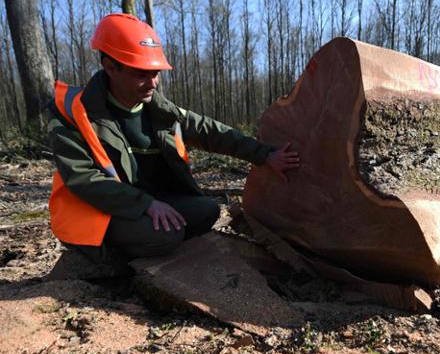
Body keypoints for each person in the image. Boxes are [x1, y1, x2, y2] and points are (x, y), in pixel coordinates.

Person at [48, 13, 300, 269]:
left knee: (207, 211)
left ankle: (151, 244)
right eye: (141, 74)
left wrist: (264, 155)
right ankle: (110, 261)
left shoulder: (160, 111)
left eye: (156, 73)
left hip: (151, 202)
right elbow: (83, 178)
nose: (152, 83)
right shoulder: (73, 112)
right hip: (99, 212)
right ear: (110, 67)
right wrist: (146, 204)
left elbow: (211, 132)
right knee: (165, 236)